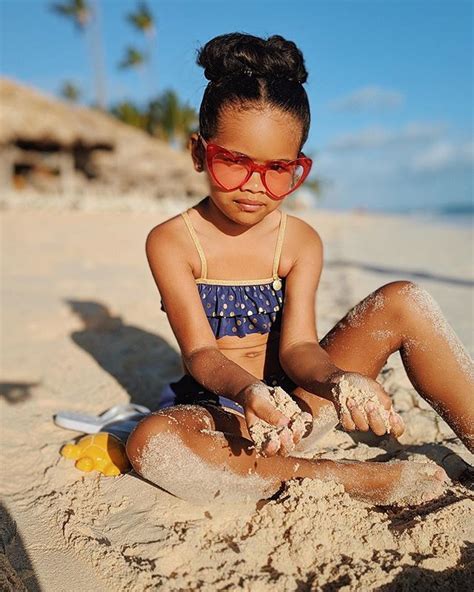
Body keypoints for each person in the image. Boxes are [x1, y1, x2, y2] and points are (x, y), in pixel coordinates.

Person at [126, 32, 473, 506]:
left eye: (277, 169)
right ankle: (339, 475)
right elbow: (201, 354)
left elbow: (298, 347)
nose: (254, 185)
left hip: (303, 402)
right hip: (228, 412)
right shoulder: (172, 241)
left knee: (405, 300)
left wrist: (337, 382)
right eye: (234, 162)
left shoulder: (299, 240)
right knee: (151, 441)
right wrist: (250, 393)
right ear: (198, 153)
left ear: (296, 167)